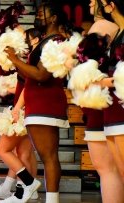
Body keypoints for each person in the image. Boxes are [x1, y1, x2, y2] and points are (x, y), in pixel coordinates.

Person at [5, 2, 72, 203]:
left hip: (46, 105)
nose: (38, 17)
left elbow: (42, 75)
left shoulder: (55, 41)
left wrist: (15, 60)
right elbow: (31, 76)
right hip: (38, 104)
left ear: (53, 19)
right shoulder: (46, 40)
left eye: (42, 14)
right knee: (47, 156)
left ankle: (52, 200)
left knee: (49, 157)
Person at [71, 1, 124, 202]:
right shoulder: (113, 29)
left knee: (108, 169)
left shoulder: (105, 27)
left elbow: (86, 63)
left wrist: (102, 81)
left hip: (107, 104)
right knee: (110, 170)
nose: (90, 2)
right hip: (104, 105)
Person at [0, 28, 42, 202]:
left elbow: (28, 87)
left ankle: (29, 184)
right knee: (23, 153)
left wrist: (17, 108)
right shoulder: (29, 60)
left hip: (22, 110)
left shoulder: (30, 61)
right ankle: (19, 192)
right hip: (24, 108)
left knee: (2, 149)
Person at [96, 0, 124, 182]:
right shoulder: (118, 33)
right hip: (112, 106)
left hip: (121, 106)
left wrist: (110, 81)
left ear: (111, 5)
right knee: (121, 171)